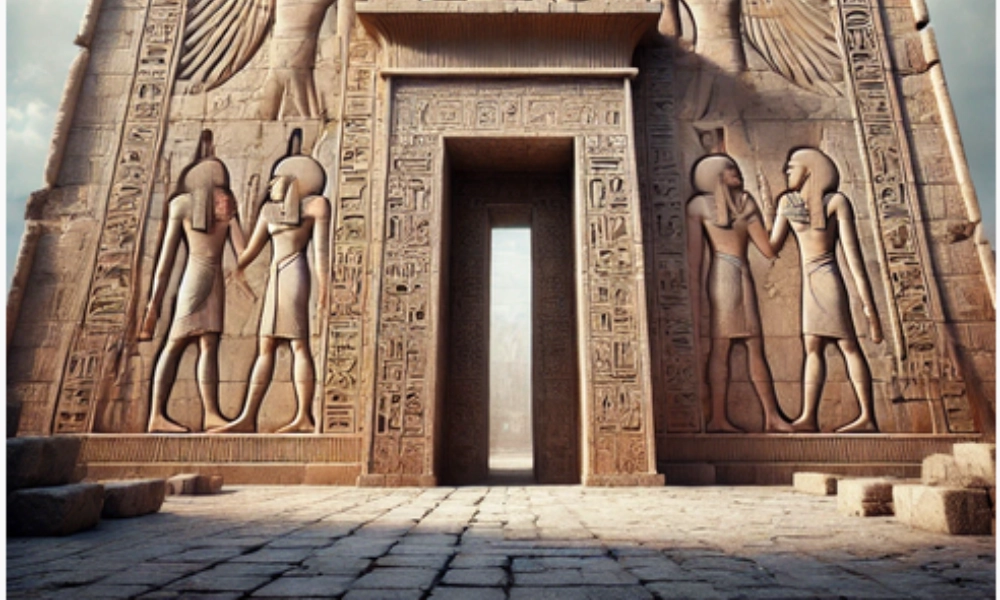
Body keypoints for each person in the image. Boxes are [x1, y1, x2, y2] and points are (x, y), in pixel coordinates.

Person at [212, 131, 330, 433]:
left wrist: (326, 289)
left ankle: (304, 415)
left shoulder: (316, 207)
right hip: (276, 276)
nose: (270, 185)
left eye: (276, 179)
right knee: (265, 345)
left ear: (295, 180)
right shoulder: (268, 212)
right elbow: (247, 253)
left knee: (299, 344)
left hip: (295, 273)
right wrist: (231, 222)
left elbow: (320, 253)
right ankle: (248, 417)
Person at [769, 148, 883, 433]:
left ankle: (867, 416)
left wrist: (869, 308)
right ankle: (808, 416)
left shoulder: (835, 202)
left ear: (809, 170)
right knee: (812, 348)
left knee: (848, 346)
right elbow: (771, 247)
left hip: (829, 281)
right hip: (812, 283)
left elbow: (853, 259)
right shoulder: (787, 203)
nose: (786, 171)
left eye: (792, 166)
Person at [140, 131, 247, 433]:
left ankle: (209, 413)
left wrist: (155, 301)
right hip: (205, 279)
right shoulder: (189, 206)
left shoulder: (183, 205)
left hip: (200, 278)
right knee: (182, 344)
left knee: (198, 345)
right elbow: (244, 253)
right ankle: (157, 415)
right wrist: (234, 217)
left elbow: (165, 263)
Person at [686, 154, 794, 433]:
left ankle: (771, 416)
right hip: (723, 276)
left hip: (741, 275)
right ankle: (718, 418)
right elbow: (694, 262)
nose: (738, 172)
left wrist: (783, 217)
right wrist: (694, 310)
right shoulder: (699, 206)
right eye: (731, 168)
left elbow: (769, 249)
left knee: (755, 345)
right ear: (717, 174)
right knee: (721, 347)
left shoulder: (745, 202)